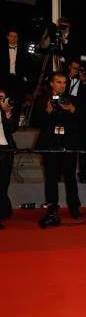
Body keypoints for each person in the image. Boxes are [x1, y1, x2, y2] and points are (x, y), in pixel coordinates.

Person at [31, 72, 82, 227]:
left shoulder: (72, 100)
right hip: (50, 145)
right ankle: (52, 210)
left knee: (71, 178)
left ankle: (75, 209)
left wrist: (73, 109)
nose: (62, 85)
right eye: (59, 82)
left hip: (68, 145)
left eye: (64, 82)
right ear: (52, 84)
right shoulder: (42, 100)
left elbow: (81, 122)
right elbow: (36, 122)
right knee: (51, 179)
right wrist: (47, 110)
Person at [0, 89, 17, 229]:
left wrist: (7, 114)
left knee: (4, 183)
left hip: (5, 150)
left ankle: (3, 211)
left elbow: (11, 129)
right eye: (0, 98)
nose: (3, 101)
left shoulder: (7, 112)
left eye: (4, 98)